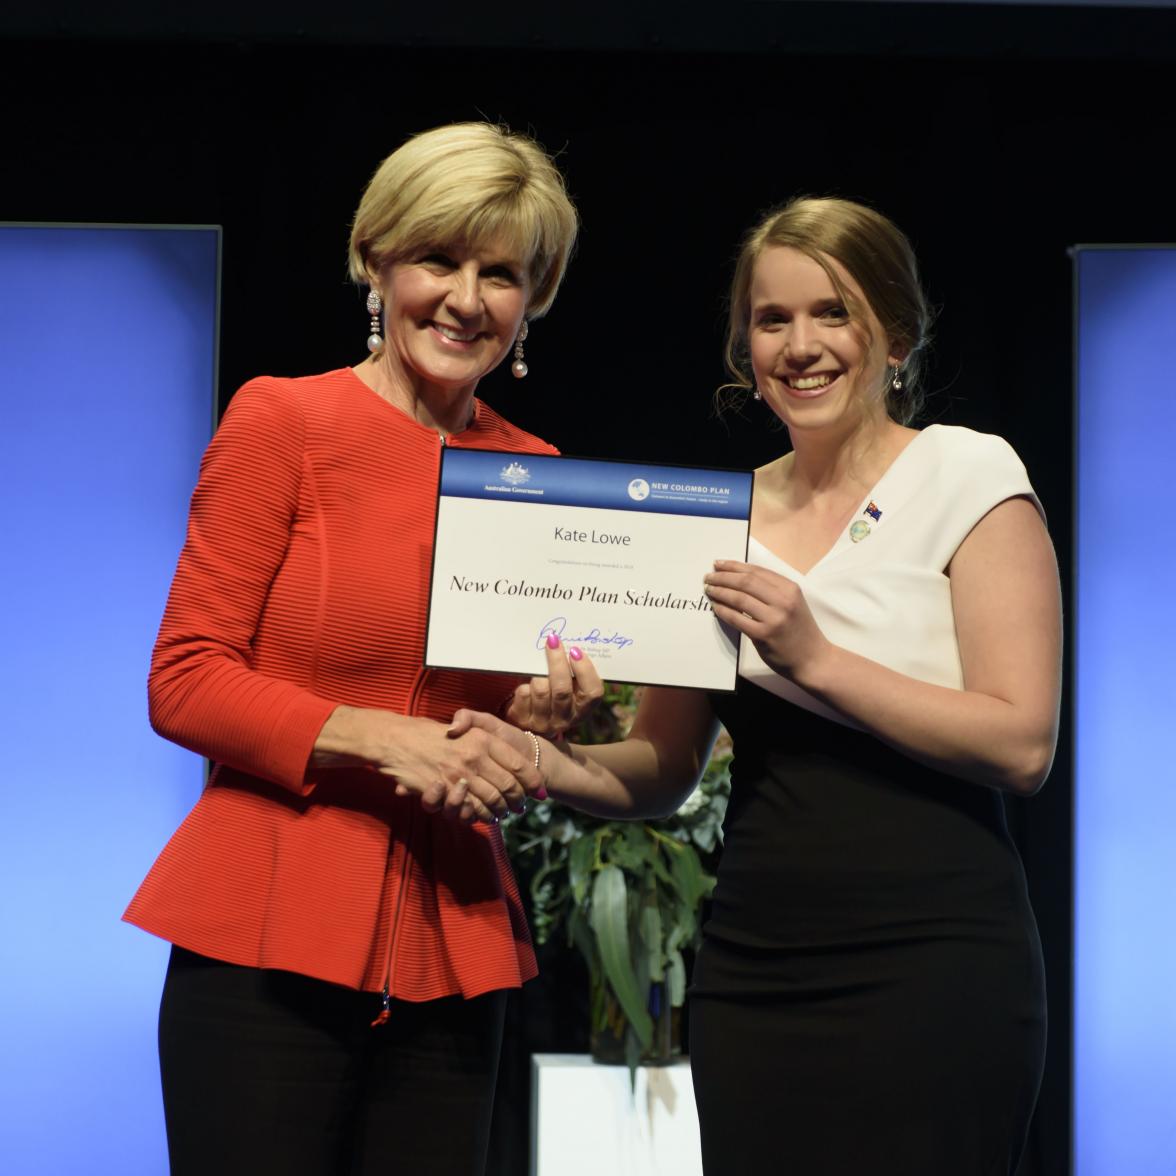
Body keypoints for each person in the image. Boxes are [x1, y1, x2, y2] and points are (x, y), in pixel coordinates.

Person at [453, 196, 1061, 1174]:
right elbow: (660, 770)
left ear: (895, 335)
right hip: (757, 965)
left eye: (834, 312)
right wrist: (535, 757)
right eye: (772, 320)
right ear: (745, 346)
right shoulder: (714, 523)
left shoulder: (968, 474)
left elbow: (1021, 743)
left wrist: (814, 656)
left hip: (937, 959)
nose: (801, 343)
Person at [124, 121, 601, 1176]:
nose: (466, 299)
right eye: (438, 258)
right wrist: (384, 739)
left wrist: (541, 727)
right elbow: (185, 679)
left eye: (502, 273)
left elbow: (511, 717)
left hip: (454, 942)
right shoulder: (282, 420)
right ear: (374, 259)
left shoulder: (542, 471)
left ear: (537, 297)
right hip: (265, 929)